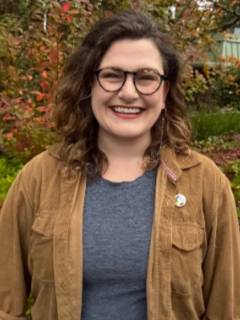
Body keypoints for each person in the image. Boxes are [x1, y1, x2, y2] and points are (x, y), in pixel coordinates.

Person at [0, 10, 240, 320]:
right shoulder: (38, 178)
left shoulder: (207, 185)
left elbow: (227, 309)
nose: (128, 92)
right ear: (90, 84)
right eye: (112, 75)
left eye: (146, 77)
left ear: (165, 92)